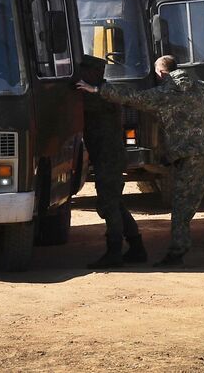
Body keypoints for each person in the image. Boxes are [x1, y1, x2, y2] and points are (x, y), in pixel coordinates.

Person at [94, 55, 204, 267]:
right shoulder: (201, 86)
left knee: (182, 207)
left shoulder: (164, 93)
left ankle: (177, 253)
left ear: (161, 73)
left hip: (191, 154)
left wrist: (96, 89)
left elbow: (131, 98)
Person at [74, 55, 146, 269]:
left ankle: (114, 251)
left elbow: (81, 103)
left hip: (109, 158)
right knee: (115, 203)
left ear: (94, 73)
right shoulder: (99, 91)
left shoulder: (101, 95)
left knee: (109, 204)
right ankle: (136, 247)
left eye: (85, 72)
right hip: (108, 156)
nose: (81, 76)